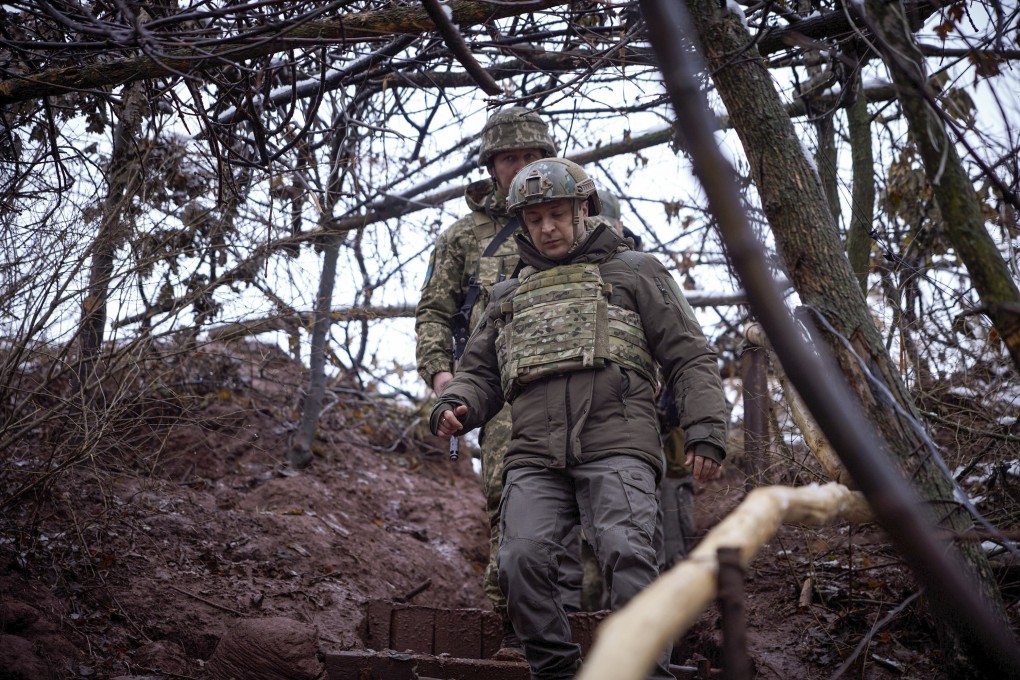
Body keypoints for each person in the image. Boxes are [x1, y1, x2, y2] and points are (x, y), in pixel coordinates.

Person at [430, 158, 728, 679]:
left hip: (618, 441)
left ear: (582, 210)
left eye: (557, 215)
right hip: (534, 453)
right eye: (534, 219)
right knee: (518, 562)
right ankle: (555, 670)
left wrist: (705, 429)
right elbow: (479, 374)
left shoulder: (636, 271)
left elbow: (689, 355)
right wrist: (455, 405)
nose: (547, 228)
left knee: (627, 552)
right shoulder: (508, 296)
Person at [414, 106, 582, 655]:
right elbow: (434, 313)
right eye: (511, 158)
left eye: (533, 156)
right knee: (510, 504)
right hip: (502, 392)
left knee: (591, 505)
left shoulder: (583, 219)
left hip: (585, 385)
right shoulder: (464, 237)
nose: (522, 165)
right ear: (492, 166)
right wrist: (443, 376)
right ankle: (514, 629)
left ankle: (576, 625)